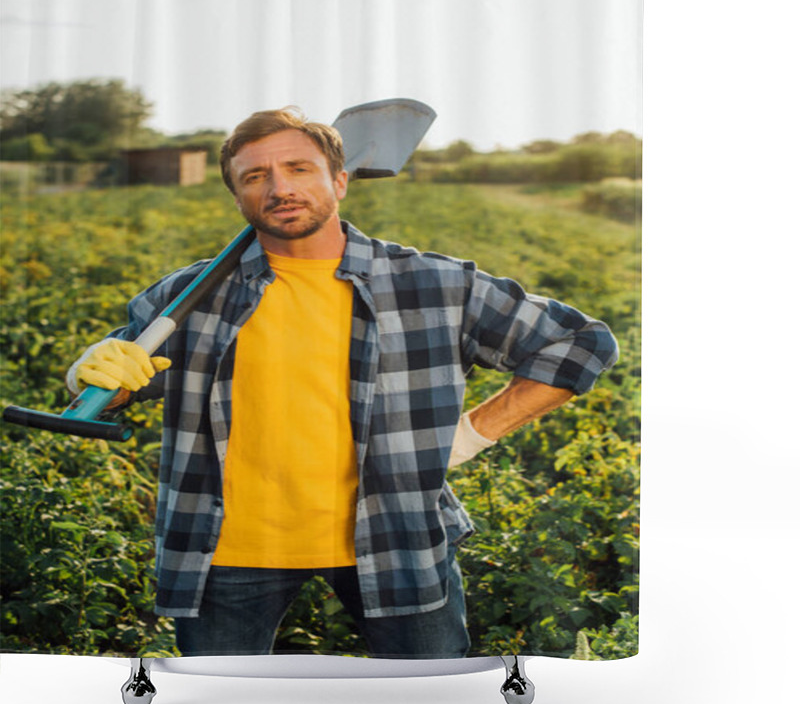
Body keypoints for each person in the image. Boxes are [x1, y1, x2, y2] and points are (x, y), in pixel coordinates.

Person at [66, 107, 619, 659]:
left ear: (340, 179)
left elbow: (582, 343)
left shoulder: (434, 285)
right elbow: (112, 386)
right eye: (255, 176)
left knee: (428, 703)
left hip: (394, 537)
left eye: (299, 169)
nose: (280, 187)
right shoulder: (187, 296)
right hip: (226, 550)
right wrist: (90, 372)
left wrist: (472, 433)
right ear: (237, 197)